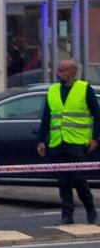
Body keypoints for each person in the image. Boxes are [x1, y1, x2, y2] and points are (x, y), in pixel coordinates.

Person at [36, 58, 98, 225]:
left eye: (61, 70)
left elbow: (97, 115)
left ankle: (90, 207)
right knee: (62, 181)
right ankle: (67, 215)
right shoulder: (53, 90)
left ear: (72, 72)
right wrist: (41, 140)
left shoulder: (84, 89)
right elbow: (46, 117)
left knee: (78, 178)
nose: (58, 73)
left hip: (77, 141)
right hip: (57, 142)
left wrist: (95, 138)